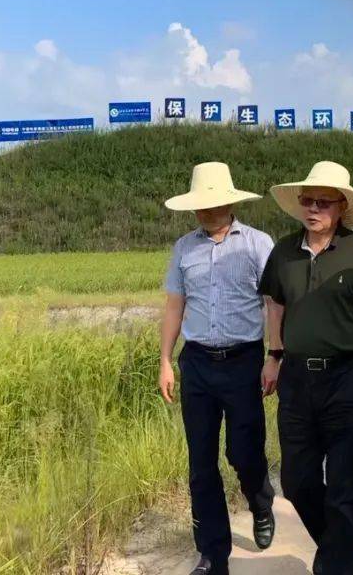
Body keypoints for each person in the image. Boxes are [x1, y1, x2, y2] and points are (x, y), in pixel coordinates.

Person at [258, 160, 353, 575]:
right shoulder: (284, 252)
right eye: (308, 201)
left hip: (348, 381)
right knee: (297, 479)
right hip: (298, 379)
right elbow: (277, 304)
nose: (314, 208)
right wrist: (275, 355)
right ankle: (339, 547)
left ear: (341, 207)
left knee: (345, 484)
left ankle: (335, 565)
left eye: (324, 202)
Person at [158, 162, 277, 575]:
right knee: (201, 462)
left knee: (243, 452)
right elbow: (175, 305)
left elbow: (273, 303)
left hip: (244, 362)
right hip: (198, 365)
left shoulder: (258, 245)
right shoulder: (183, 249)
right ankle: (213, 554)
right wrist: (165, 362)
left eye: (215, 203)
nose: (207, 211)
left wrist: (274, 355)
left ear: (230, 202)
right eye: (201, 205)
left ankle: (260, 500)